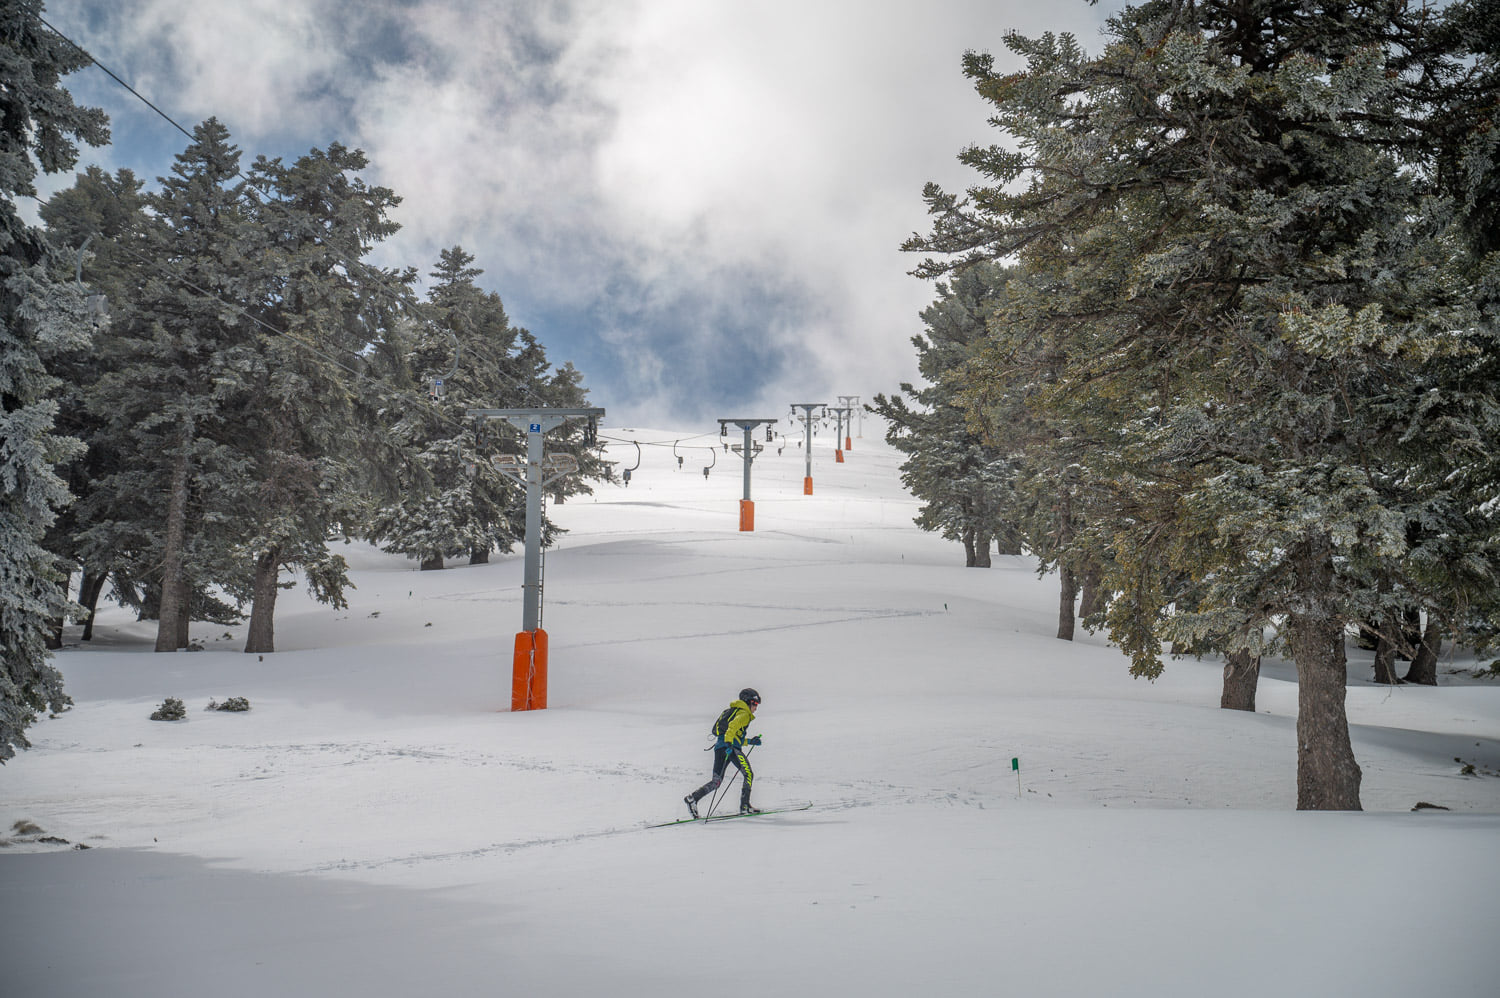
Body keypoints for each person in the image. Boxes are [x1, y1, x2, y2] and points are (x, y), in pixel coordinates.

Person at [684, 688, 763, 817]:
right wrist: (729, 744)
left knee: (716, 781)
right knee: (748, 774)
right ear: (748, 702)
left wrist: (750, 742)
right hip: (730, 748)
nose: (756, 707)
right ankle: (745, 806)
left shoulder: (734, 711)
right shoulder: (743, 714)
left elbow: (735, 736)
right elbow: (731, 728)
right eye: (755, 704)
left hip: (720, 748)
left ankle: (692, 798)